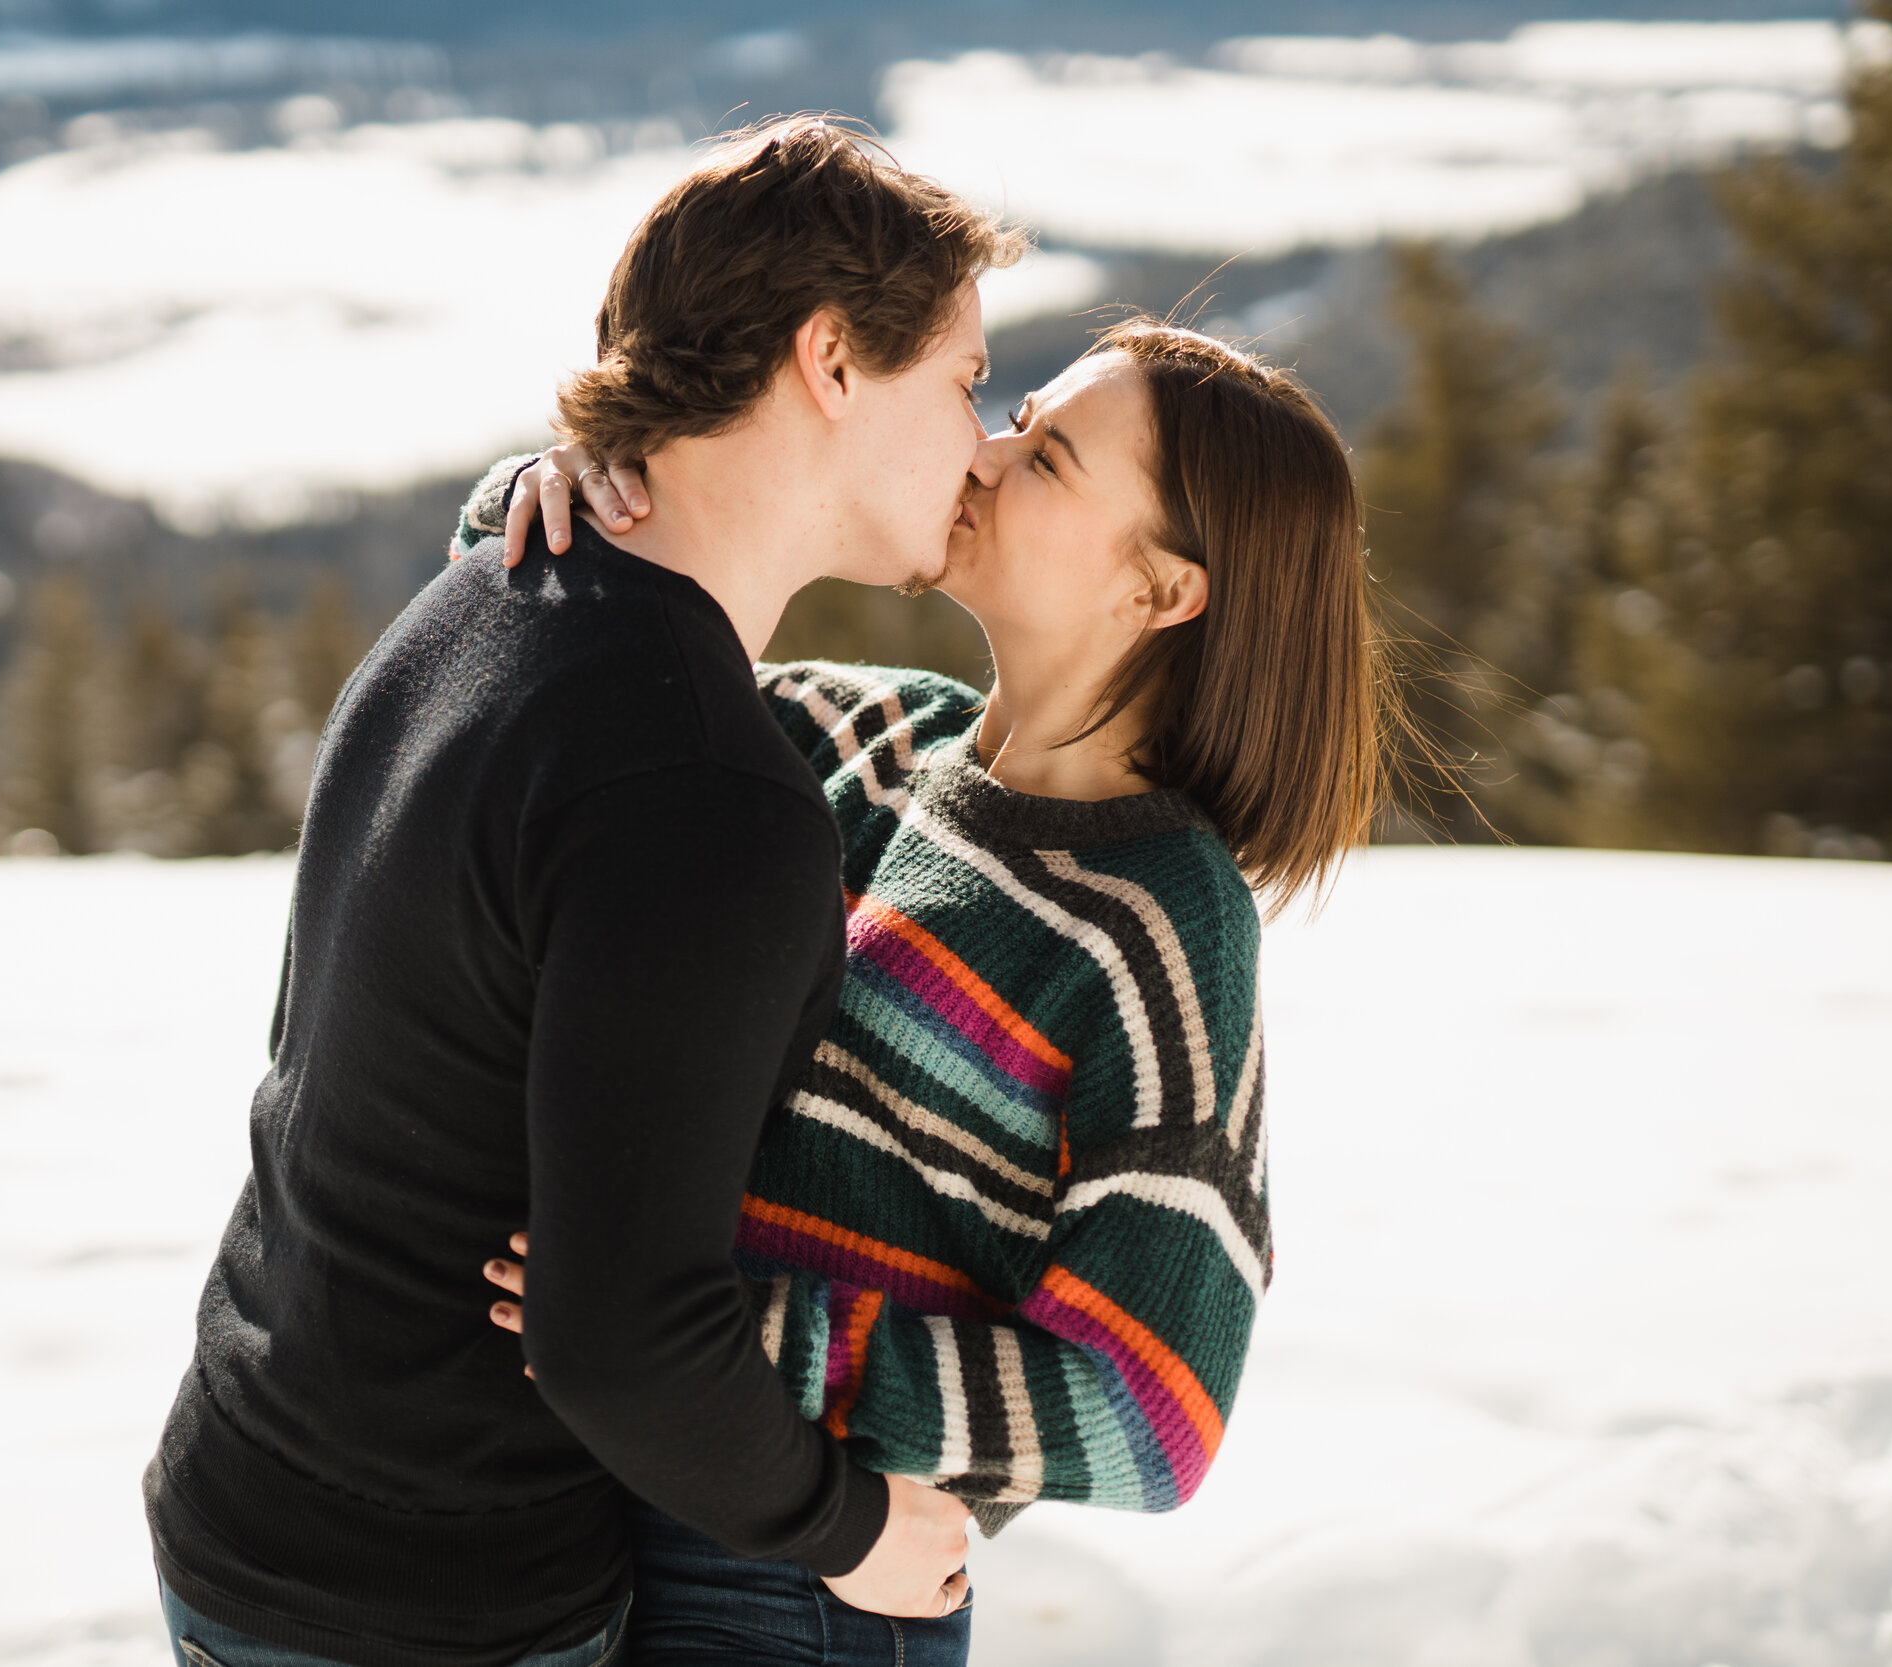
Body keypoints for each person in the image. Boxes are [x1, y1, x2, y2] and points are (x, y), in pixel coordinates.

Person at [144, 119, 1027, 1667]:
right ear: (831, 359)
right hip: (431, 1595)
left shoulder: (492, 586)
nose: (979, 439)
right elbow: (618, 1338)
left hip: (251, 1483)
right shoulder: (704, 792)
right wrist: (858, 1533)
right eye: (958, 377)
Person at [460, 317, 1389, 1664]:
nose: (987, 451)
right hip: (608, 1496)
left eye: (1051, 457)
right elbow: (600, 676)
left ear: (1163, 590)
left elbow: (1154, 1413)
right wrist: (552, 496)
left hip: (810, 1595)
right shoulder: (878, 739)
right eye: (1017, 418)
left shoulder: (1161, 925)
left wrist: (737, 1345)